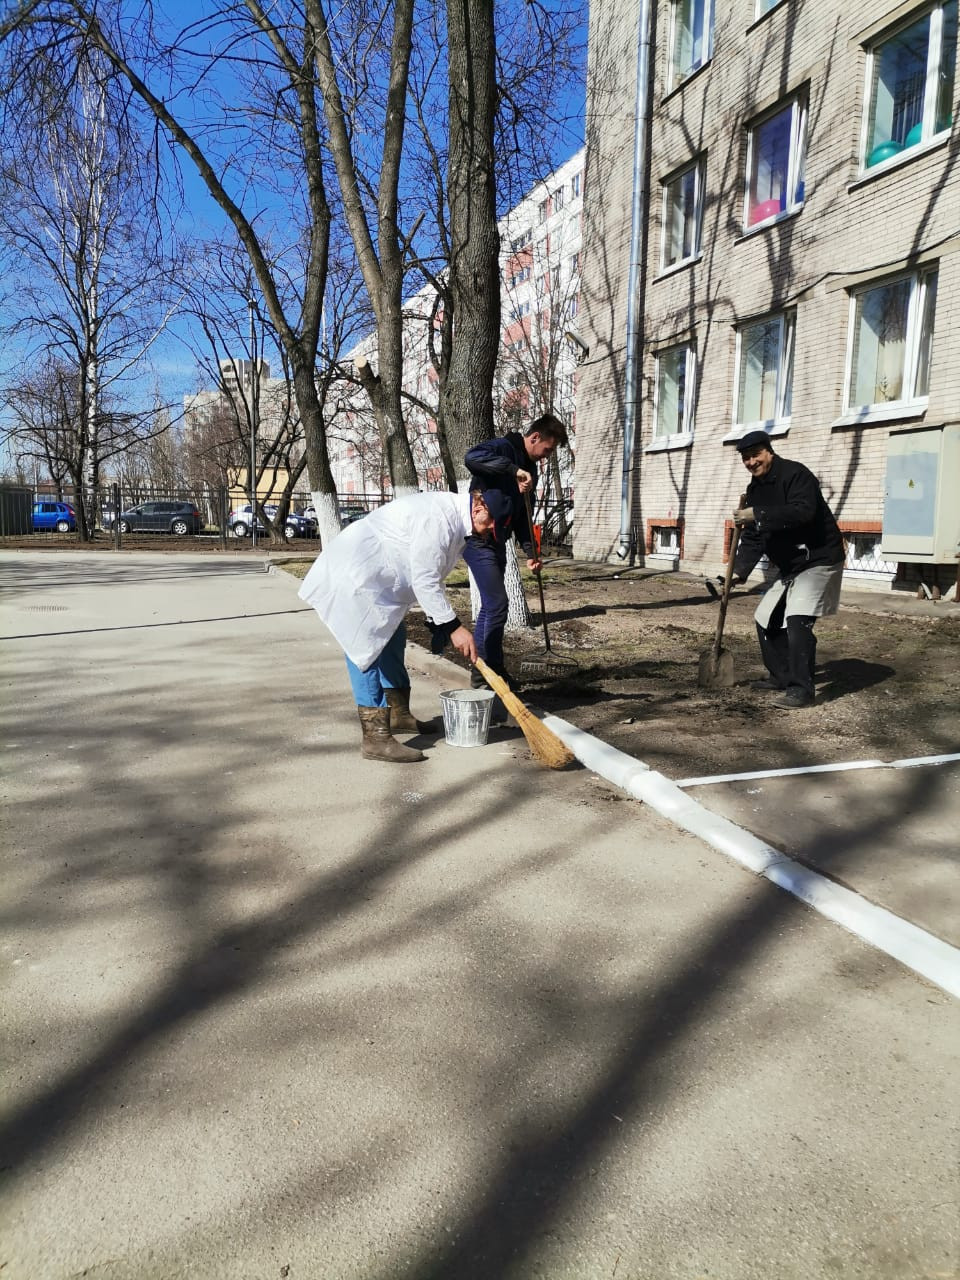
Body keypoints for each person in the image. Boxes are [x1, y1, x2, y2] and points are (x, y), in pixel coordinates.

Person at [298, 488, 513, 763]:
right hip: (356, 575)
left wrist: (439, 621)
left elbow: (434, 573)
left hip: (380, 581)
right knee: (364, 650)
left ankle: (400, 714)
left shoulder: (459, 524)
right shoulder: (439, 519)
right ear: (478, 508)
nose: (490, 529)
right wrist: (453, 627)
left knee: (393, 638)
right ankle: (375, 739)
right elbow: (424, 579)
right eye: (490, 522)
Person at [730, 430, 844, 709]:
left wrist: (757, 514)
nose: (751, 462)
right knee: (765, 617)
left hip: (819, 557)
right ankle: (781, 676)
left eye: (755, 455)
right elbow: (756, 537)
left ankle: (802, 690)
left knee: (797, 620)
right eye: (746, 458)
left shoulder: (796, 475)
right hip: (791, 566)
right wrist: (738, 571)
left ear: (769, 451)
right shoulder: (756, 489)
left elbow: (802, 512)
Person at [462, 413, 569, 705]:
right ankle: (487, 672)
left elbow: (523, 515)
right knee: (497, 604)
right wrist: (512, 470)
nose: (547, 456)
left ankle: (488, 669)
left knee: (493, 605)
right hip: (476, 537)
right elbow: (472, 458)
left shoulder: (530, 469)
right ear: (535, 437)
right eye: (547, 449)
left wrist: (531, 553)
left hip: (497, 540)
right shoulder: (503, 448)